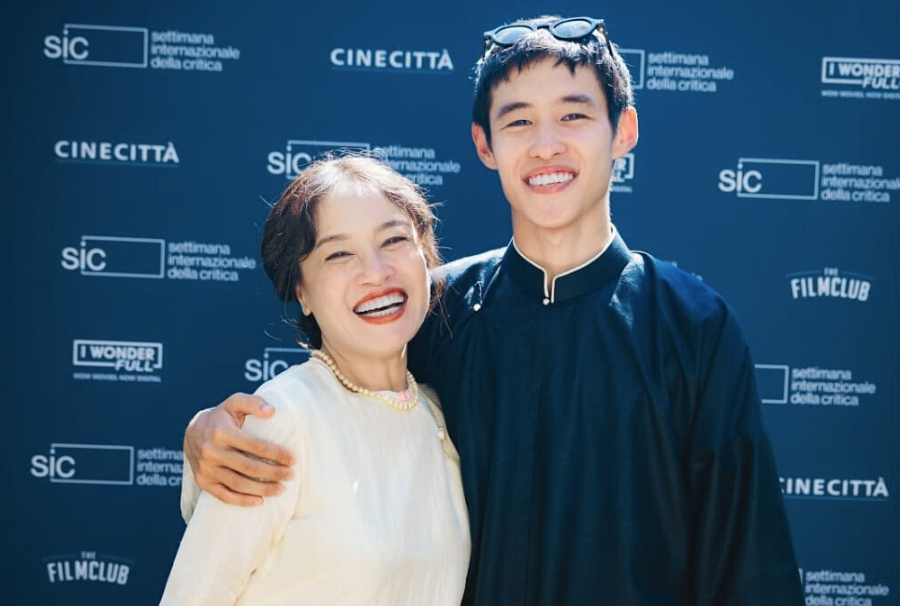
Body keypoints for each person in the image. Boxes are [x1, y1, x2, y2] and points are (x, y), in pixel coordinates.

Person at [183, 16, 804, 605]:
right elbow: (331, 417)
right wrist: (206, 436)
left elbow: (748, 559)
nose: (546, 145)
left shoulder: (692, 325)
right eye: (519, 121)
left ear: (624, 131)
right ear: (484, 144)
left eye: (573, 115)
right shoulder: (432, 310)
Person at [161, 156, 470, 605]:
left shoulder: (438, 414)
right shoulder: (281, 420)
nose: (376, 271)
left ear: (426, 257)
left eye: (394, 240)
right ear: (301, 291)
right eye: (339, 254)